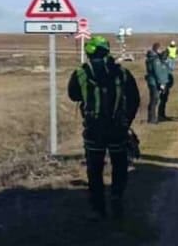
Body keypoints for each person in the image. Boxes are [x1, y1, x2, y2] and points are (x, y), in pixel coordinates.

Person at [67, 35, 140, 221]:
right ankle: (117, 197)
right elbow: (134, 99)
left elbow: (73, 95)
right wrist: (126, 122)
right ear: (107, 51)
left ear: (89, 52)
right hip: (117, 128)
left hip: (94, 128)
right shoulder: (122, 73)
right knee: (119, 165)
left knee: (94, 168)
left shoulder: (81, 73)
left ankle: (98, 208)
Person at [144, 42, 169, 124]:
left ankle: (152, 118)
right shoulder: (155, 60)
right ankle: (152, 119)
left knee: (154, 100)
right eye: (160, 49)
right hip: (154, 82)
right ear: (157, 49)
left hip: (152, 81)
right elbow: (157, 72)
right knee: (154, 100)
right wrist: (161, 83)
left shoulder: (151, 58)